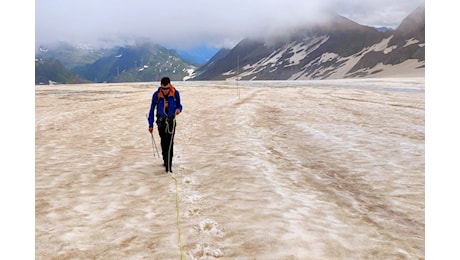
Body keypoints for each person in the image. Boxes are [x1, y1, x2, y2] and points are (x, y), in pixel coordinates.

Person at [148, 77, 183, 173]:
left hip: (172, 121)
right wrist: (150, 125)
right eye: (163, 88)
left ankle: (169, 166)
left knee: (170, 142)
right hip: (161, 122)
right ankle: (165, 160)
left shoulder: (175, 93)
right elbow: (151, 110)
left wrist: (178, 110)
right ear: (161, 86)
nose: (165, 91)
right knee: (164, 141)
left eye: (167, 88)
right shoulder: (156, 95)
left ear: (170, 85)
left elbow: (180, 105)